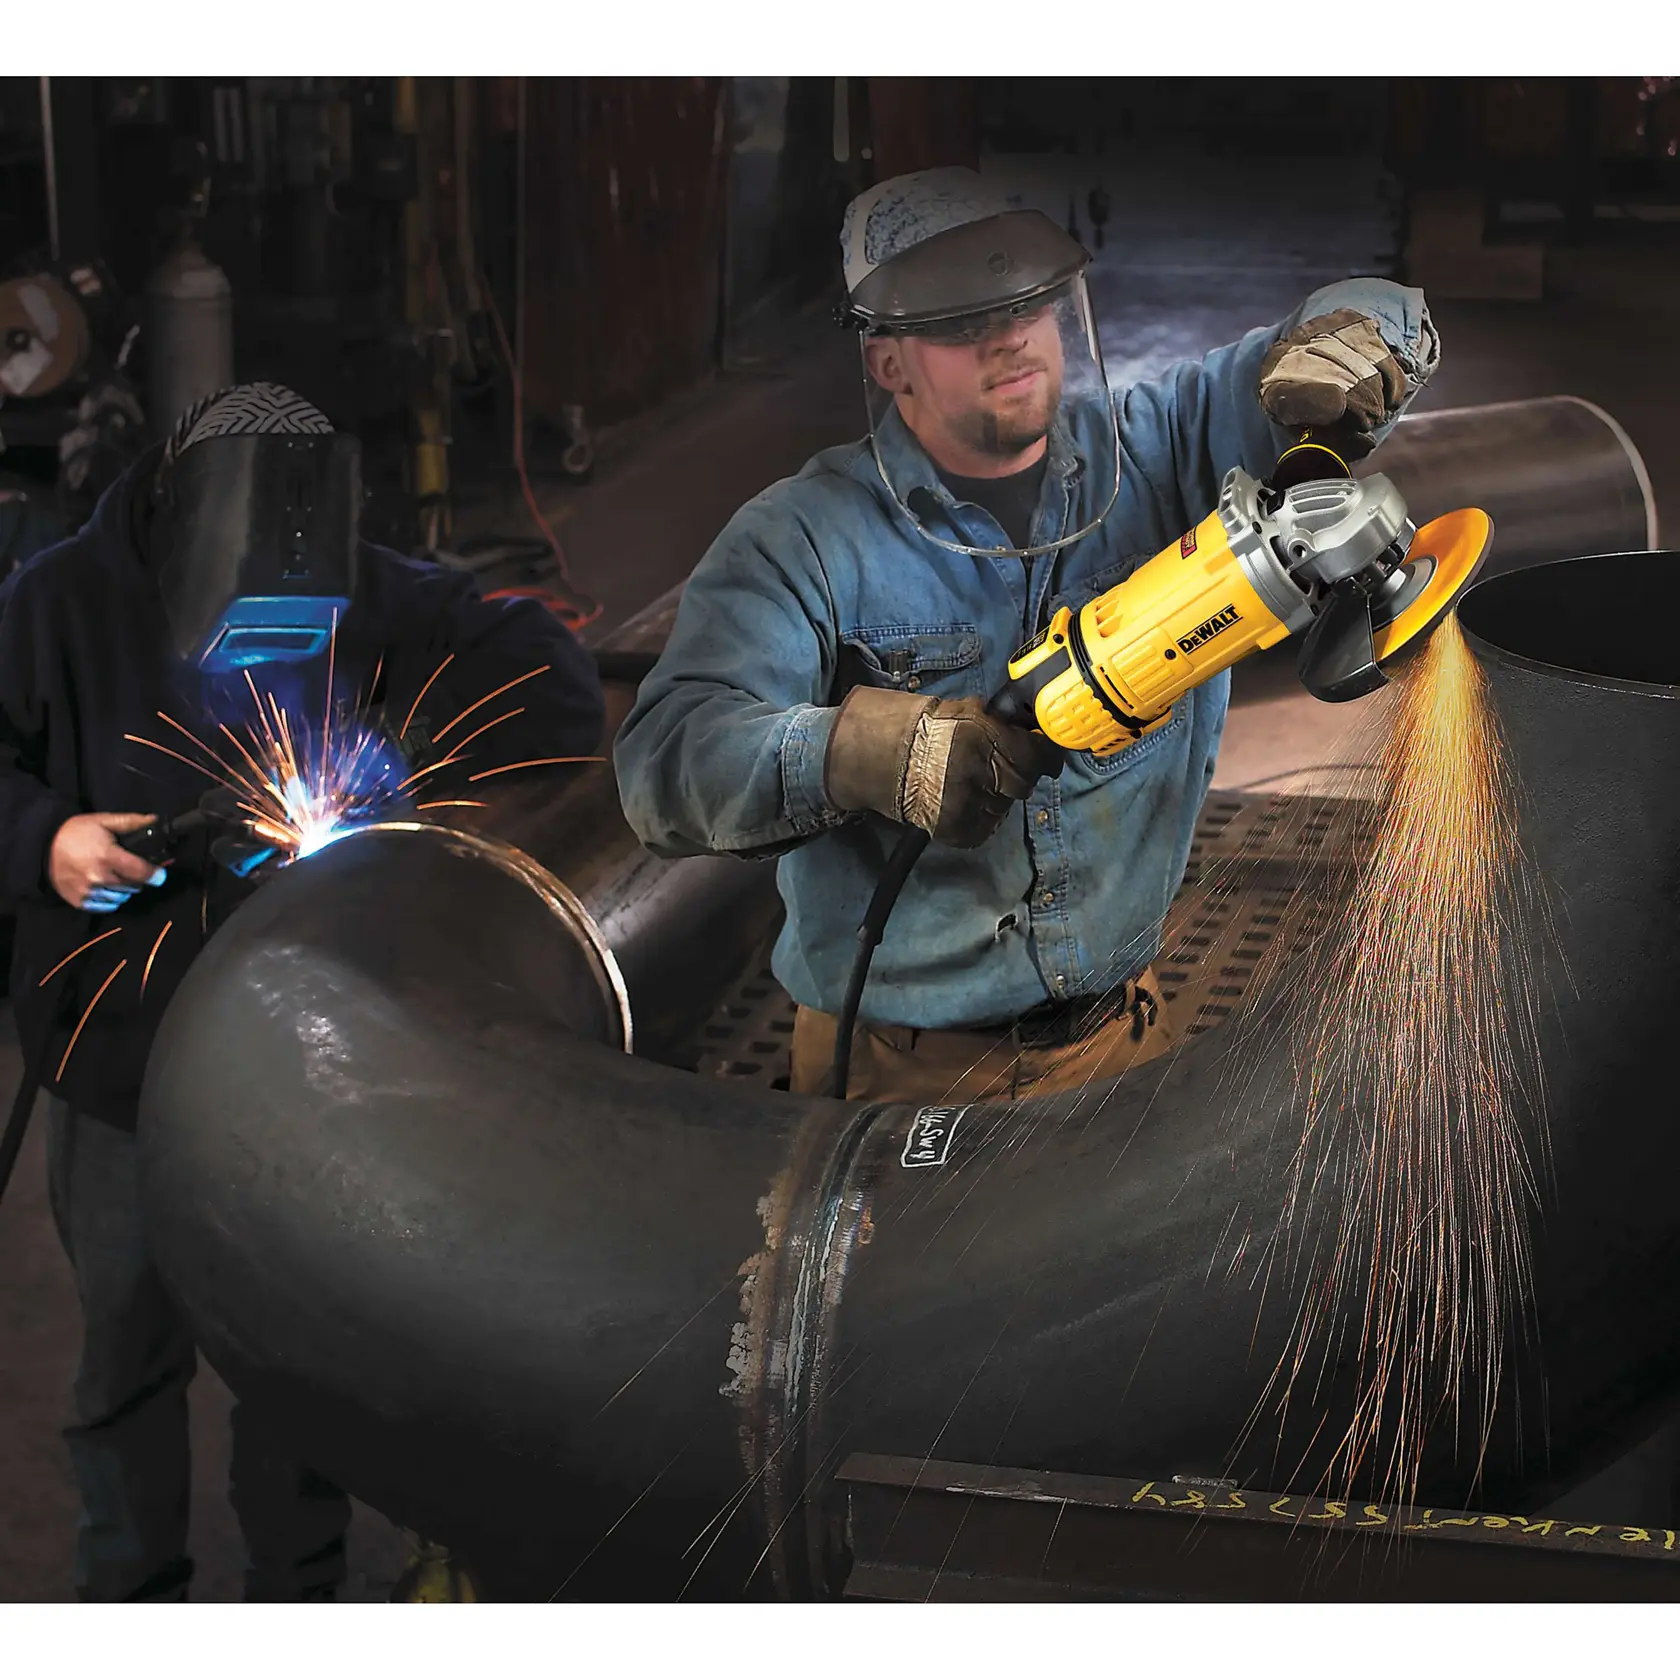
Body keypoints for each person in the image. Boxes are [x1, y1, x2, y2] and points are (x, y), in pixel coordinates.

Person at [615, 167, 1439, 1105]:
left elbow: (1375, 310)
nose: (1008, 337)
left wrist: (1351, 340)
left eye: (1024, 305)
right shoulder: (801, 538)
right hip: (899, 1071)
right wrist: (865, 751)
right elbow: (664, 764)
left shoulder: (1163, 451)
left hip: (1125, 1039)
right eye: (961, 321)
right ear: (888, 362)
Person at [0, 383, 604, 1601]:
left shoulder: (370, 586)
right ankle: (125, 1613)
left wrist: (395, 756)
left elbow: (556, 691)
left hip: (303, 1078)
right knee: (124, 1368)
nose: (270, 663)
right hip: (119, 1075)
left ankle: (298, 1602)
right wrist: (47, 838)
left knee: (297, 1377)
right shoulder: (54, 603)